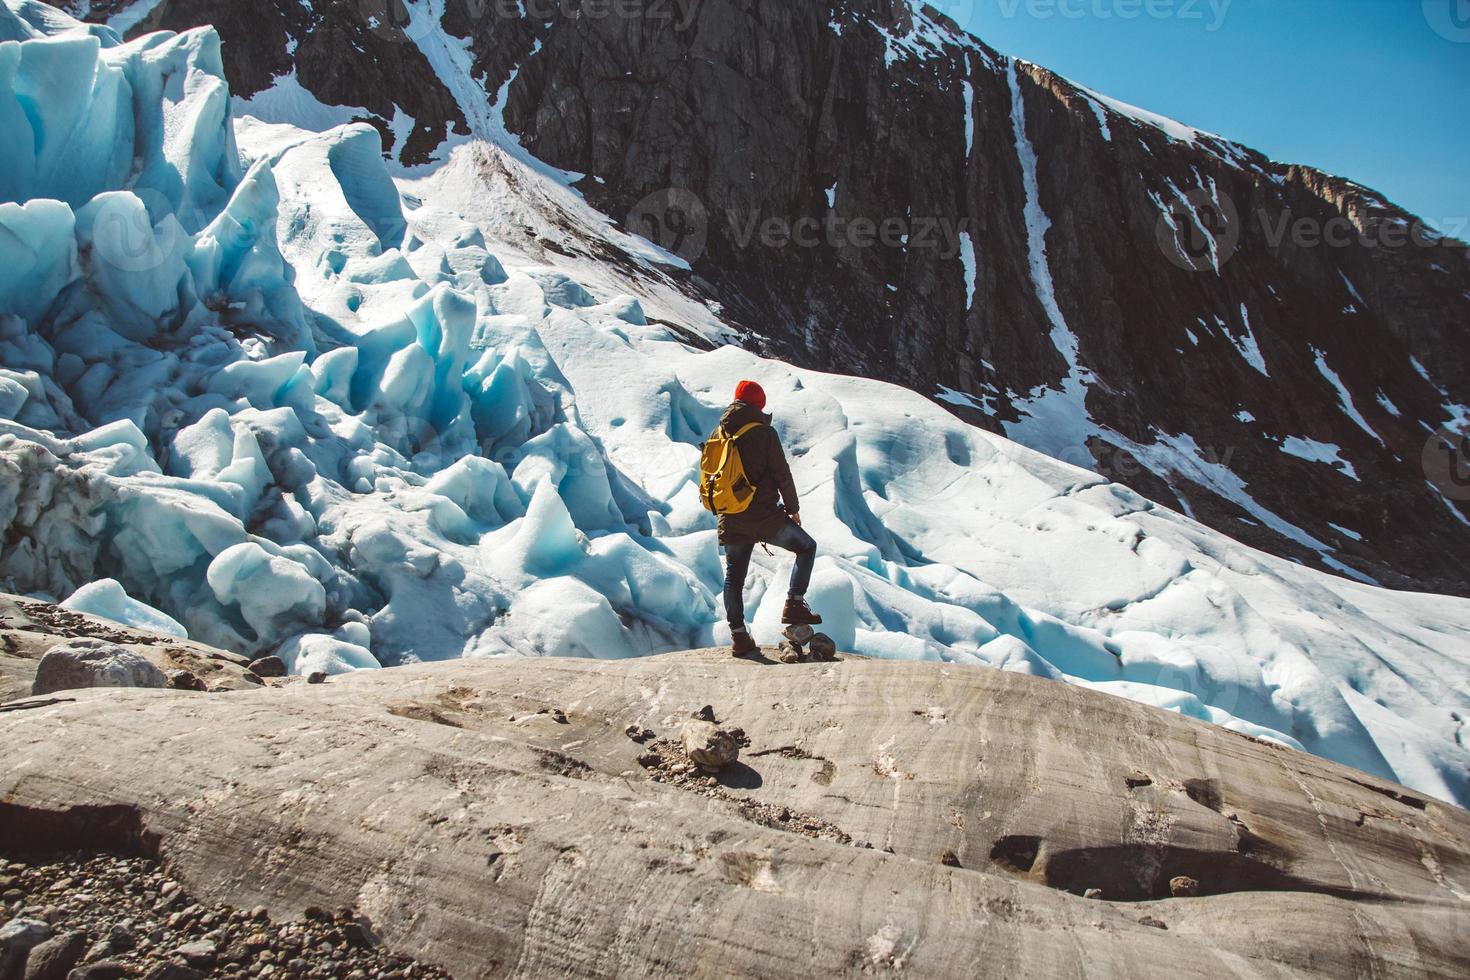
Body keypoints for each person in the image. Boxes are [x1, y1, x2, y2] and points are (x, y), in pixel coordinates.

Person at [715, 380, 821, 657]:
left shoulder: (721, 431)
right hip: (763, 517)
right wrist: (793, 507)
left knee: (733, 578)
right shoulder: (764, 433)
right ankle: (794, 604)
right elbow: (781, 473)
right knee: (806, 547)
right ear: (759, 404)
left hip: (731, 516)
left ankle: (739, 636)